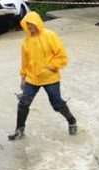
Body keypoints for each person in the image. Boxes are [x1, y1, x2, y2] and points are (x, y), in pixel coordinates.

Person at [7, 12, 77, 140]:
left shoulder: (50, 35)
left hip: (50, 77)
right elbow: (25, 61)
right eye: (28, 25)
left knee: (56, 104)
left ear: (38, 23)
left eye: (32, 24)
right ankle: (19, 130)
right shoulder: (26, 41)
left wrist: (50, 67)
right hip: (33, 78)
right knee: (23, 103)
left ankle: (71, 120)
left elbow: (62, 56)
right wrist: (23, 78)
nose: (30, 27)